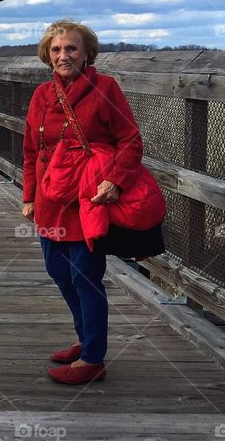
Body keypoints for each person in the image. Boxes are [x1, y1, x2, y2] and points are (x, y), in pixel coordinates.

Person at [21, 20, 144, 385]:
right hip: (50, 198)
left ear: (87, 52)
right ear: (47, 55)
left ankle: (93, 358)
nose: (64, 55)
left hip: (87, 199)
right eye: (56, 49)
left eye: (72, 48)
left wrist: (115, 181)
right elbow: (31, 150)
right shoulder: (42, 94)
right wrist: (28, 195)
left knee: (85, 277)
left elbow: (131, 141)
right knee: (59, 272)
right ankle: (84, 336)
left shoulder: (105, 88)